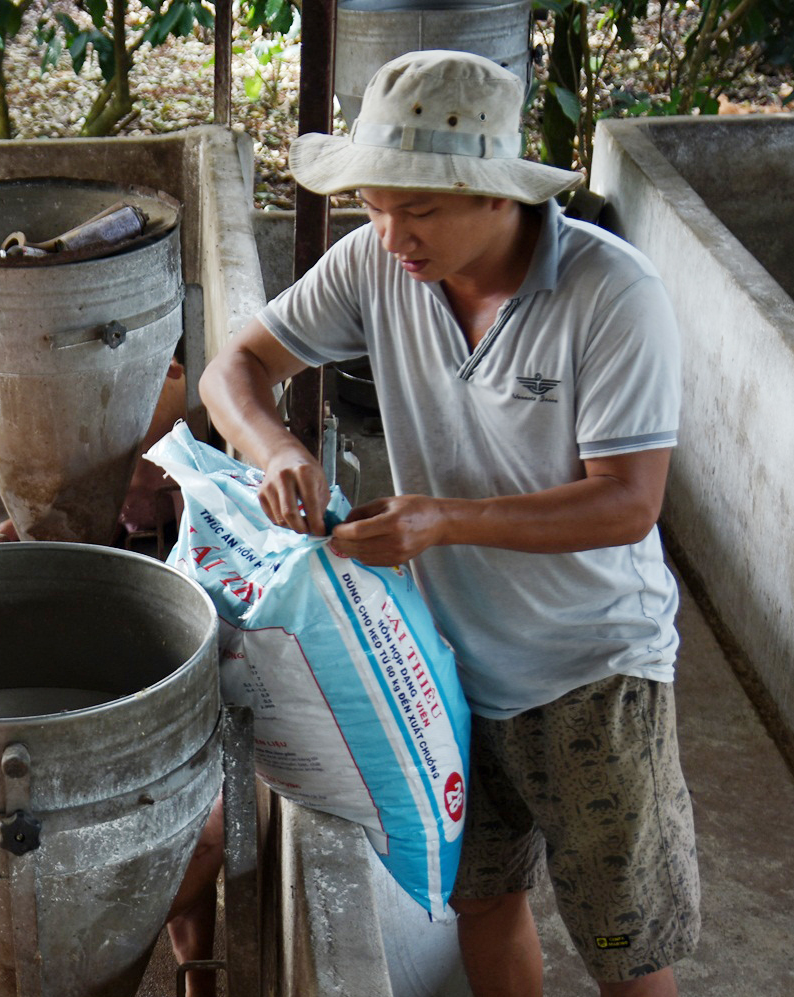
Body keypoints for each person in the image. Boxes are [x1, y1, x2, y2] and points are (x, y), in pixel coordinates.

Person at [198, 50, 698, 997]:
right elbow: (235, 370)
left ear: (494, 195)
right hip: (446, 662)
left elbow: (629, 500)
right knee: (481, 896)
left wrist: (441, 522)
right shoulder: (377, 265)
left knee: (625, 937)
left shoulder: (612, 295)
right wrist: (278, 451)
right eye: (376, 206)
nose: (390, 235)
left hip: (593, 665)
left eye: (418, 209)